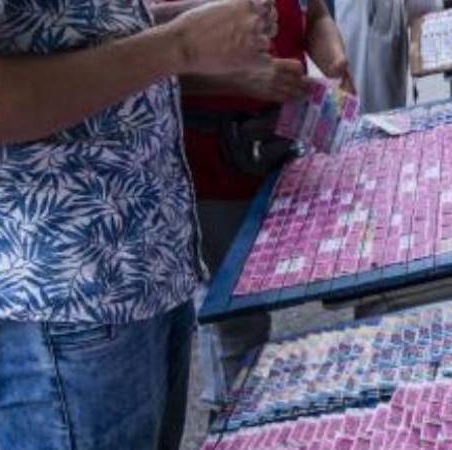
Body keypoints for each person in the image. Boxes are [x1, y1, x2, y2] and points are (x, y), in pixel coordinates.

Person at [0, 0, 273, 448]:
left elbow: (85, 29)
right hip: (66, 303)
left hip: (143, 277)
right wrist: (180, 44)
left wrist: (194, 26)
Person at [151, 0, 353, 406]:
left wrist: (334, 62)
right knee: (236, 319)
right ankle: (231, 419)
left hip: (284, 151)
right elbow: (147, 66)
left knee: (319, 277)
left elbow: (314, 15)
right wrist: (242, 81)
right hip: (213, 170)